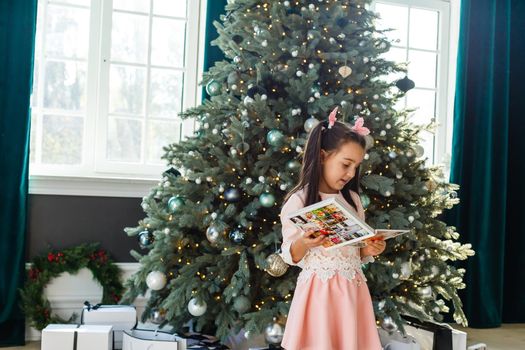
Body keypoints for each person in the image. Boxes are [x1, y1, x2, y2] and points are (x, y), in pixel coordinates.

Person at [280, 107, 386, 350]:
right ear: (323, 155)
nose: (350, 173)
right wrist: (305, 242)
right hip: (319, 291)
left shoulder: (352, 201)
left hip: (352, 289)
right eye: (346, 164)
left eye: (356, 167)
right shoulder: (300, 200)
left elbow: (356, 248)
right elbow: (290, 254)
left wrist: (369, 249)